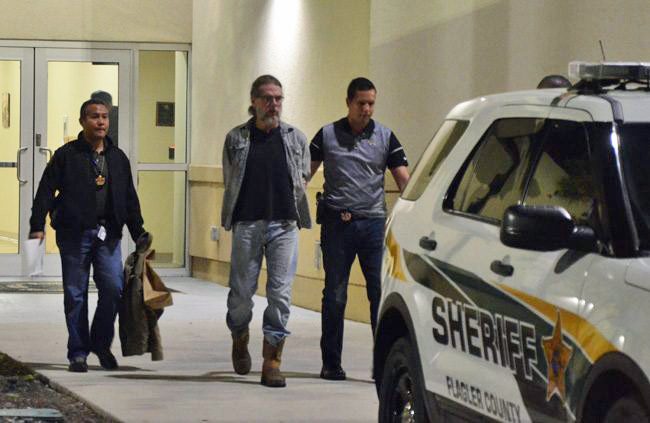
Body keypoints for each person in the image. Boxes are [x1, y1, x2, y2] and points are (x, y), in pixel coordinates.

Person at [29, 98, 146, 373]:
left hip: (109, 235)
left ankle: (100, 343)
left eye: (104, 116)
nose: (101, 121)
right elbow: (45, 191)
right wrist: (37, 224)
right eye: (95, 116)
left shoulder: (117, 158)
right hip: (74, 234)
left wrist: (139, 231)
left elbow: (129, 197)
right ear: (83, 121)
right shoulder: (66, 155)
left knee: (114, 289)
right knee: (76, 294)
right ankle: (78, 352)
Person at [310, 77, 410, 381]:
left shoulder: (386, 137)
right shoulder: (326, 135)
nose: (366, 109)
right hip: (338, 225)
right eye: (361, 103)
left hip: (373, 226)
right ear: (348, 102)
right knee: (336, 295)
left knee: (380, 295)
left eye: (371, 103)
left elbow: (404, 180)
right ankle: (331, 363)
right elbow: (303, 174)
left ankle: (383, 366)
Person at [221, 75, 311, 388]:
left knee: (280, 295)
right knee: (242, 294)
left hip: (285, 225)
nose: (274, 105)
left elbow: (303, 179)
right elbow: (230, 179)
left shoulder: (296, 138)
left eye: (279, 99)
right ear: (254, 101)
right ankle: (239, 334)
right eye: (268, 98)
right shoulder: (236, 138)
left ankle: (272, 360)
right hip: (247, 223)